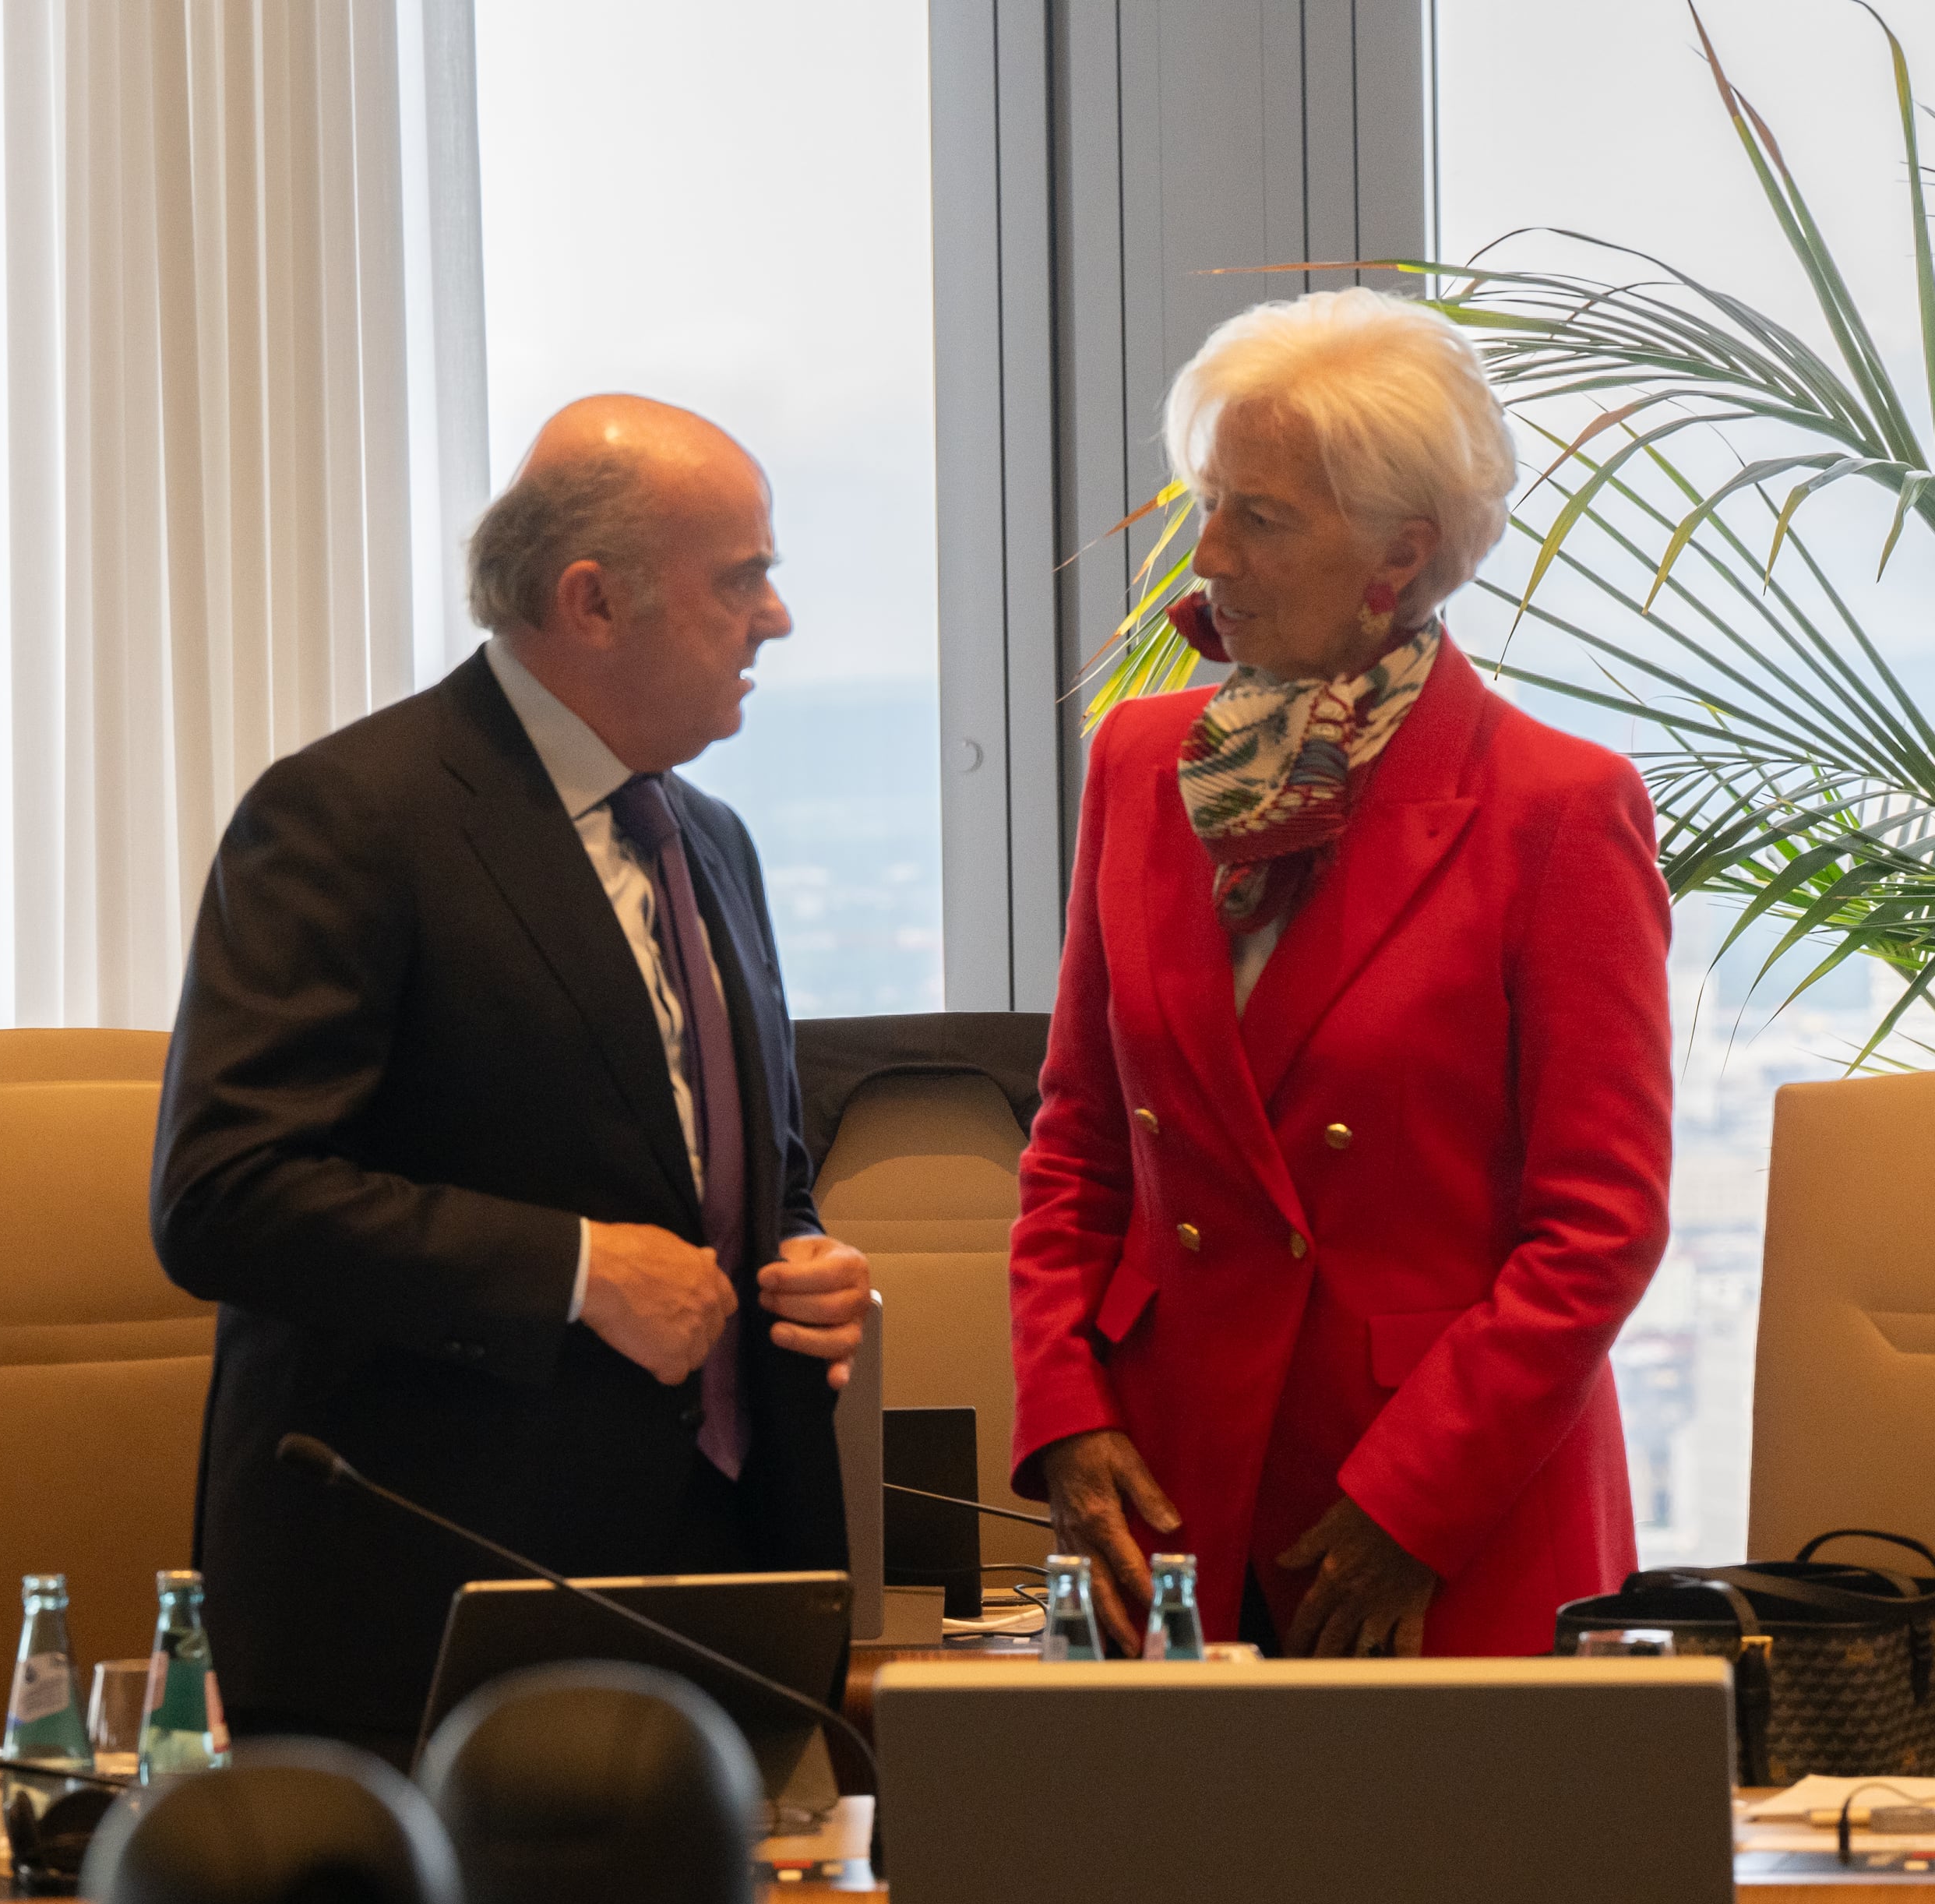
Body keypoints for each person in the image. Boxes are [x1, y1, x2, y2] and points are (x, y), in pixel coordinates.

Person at [152, 396, 872, 1761]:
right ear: (591, 602)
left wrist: (804, 1254)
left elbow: (740, 1175)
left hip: (723, 1586)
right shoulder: (349, 819)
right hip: (434, 1603)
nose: (776, 618)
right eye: (742, 579)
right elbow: (223, 1194)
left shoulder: (708, 838)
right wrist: (582, 1270)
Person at [1010, 290, 1671, 1659]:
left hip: (1439, 1514)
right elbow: (1078, 1140)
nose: (1207, 559)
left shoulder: (1559, 807)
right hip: (1172, 1503)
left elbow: (1598, 1224)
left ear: (1397, 559)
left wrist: (1411, 1506)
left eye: (1260, 517)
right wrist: (1065, 1407)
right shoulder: (1140, 766)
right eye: (1209, 502)